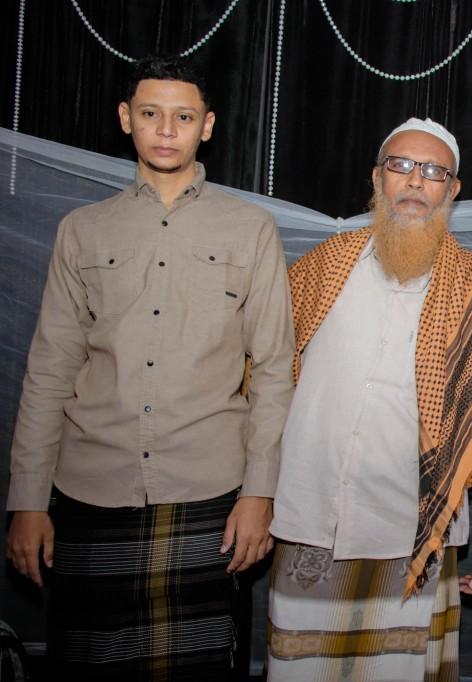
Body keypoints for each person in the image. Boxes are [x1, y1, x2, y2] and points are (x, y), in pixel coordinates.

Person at [5, 55, 295, 680]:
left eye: (183, 117)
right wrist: (27, 499)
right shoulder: (82, 231)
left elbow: (275, 369)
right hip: (89, 489)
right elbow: (49, 369)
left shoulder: (251, 230)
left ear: (207, 126)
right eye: (151, 113)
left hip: (209, 492)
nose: (167, 129)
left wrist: (260, 493)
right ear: (125, 118)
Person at [266, 118, 472, 681]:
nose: (415, 181)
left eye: (433, 171)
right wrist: (254, 492)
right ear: (377, 178)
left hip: (416, 528)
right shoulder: (320, 268)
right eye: (401, 165)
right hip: (312, 514)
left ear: (453, 190)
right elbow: (268, 384)